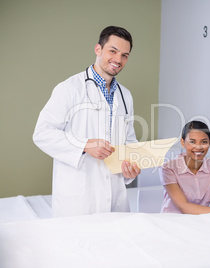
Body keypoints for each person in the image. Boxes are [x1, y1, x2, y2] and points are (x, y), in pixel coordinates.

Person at [33, 26, 141, 217]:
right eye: (113, 51)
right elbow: (42, 133)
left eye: (125, 55)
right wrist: (84, 145)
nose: (118, 60)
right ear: (98, 49)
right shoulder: (69, 88)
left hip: (116, 197)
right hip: (79, 198)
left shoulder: (125, 96)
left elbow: (129, 142)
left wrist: (129, 170)